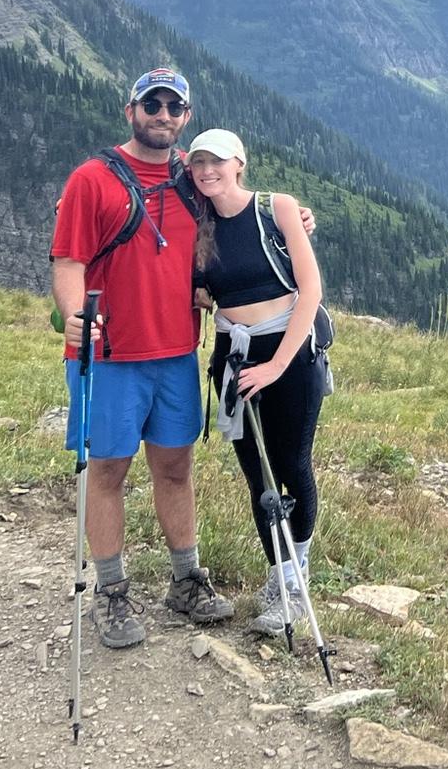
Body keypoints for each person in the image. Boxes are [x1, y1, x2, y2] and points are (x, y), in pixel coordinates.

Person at [50, 68, 233, 649]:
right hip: (110, 356)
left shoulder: (193, 180)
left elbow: (242, 212)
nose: (162, 114)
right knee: (108, 472)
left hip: (176, 352)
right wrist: (76, 316)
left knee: (175, 469)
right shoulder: (91, 179)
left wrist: (295, 217)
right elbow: (68, 262)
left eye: (173, 107)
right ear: (130, 110)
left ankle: (185, 579)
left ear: (186, 116)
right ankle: (111, 592)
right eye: (151, 104)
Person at [188, 128, 328, 636]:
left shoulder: (279, 208)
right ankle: (280, 577)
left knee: (291, 463)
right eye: (200, 161)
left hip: (290, 350)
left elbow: (309, 291)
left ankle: (296, 580)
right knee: (258, 476)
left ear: (239, 164)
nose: (209, 170)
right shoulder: (193, 221)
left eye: (218, 162)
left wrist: (276, 366)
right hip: (233, 353)